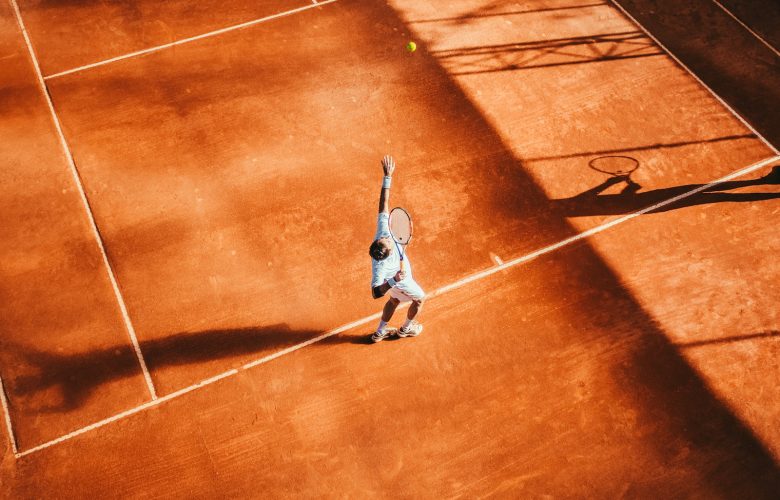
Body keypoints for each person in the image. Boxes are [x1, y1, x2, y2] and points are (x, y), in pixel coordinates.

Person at [368, 155, 425, 343]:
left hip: (393, 284)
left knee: (394, 300)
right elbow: (376, 293)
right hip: (400, 282)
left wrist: (387, 177)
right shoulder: (380, 267)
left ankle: (379, 332)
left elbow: (383, 204)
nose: (388, 237)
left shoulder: (382, 233)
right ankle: (405, 329)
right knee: (420, 299)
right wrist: (394, 280)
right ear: (388, 253)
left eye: (384, 238)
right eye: (388, 241)